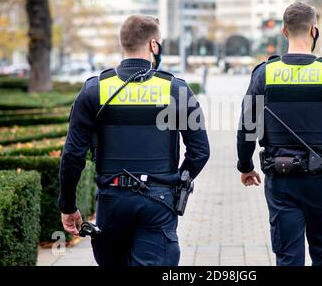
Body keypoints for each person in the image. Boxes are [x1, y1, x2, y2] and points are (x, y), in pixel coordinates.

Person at [59, 15, 210, 266]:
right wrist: (178, 181)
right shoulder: (176, 90)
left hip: (111, 201)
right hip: (159, 201)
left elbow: (73, 156)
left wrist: (67, 205)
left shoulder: (94, 90)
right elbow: (200, 151)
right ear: (153, 45)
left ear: (123, 44)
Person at [236, 1, 322, 266]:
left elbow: (247, 128)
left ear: (284, 32)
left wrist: (245, 166)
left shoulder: (264, 74)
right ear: (314, 30)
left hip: (281, 179)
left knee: (288, 258)